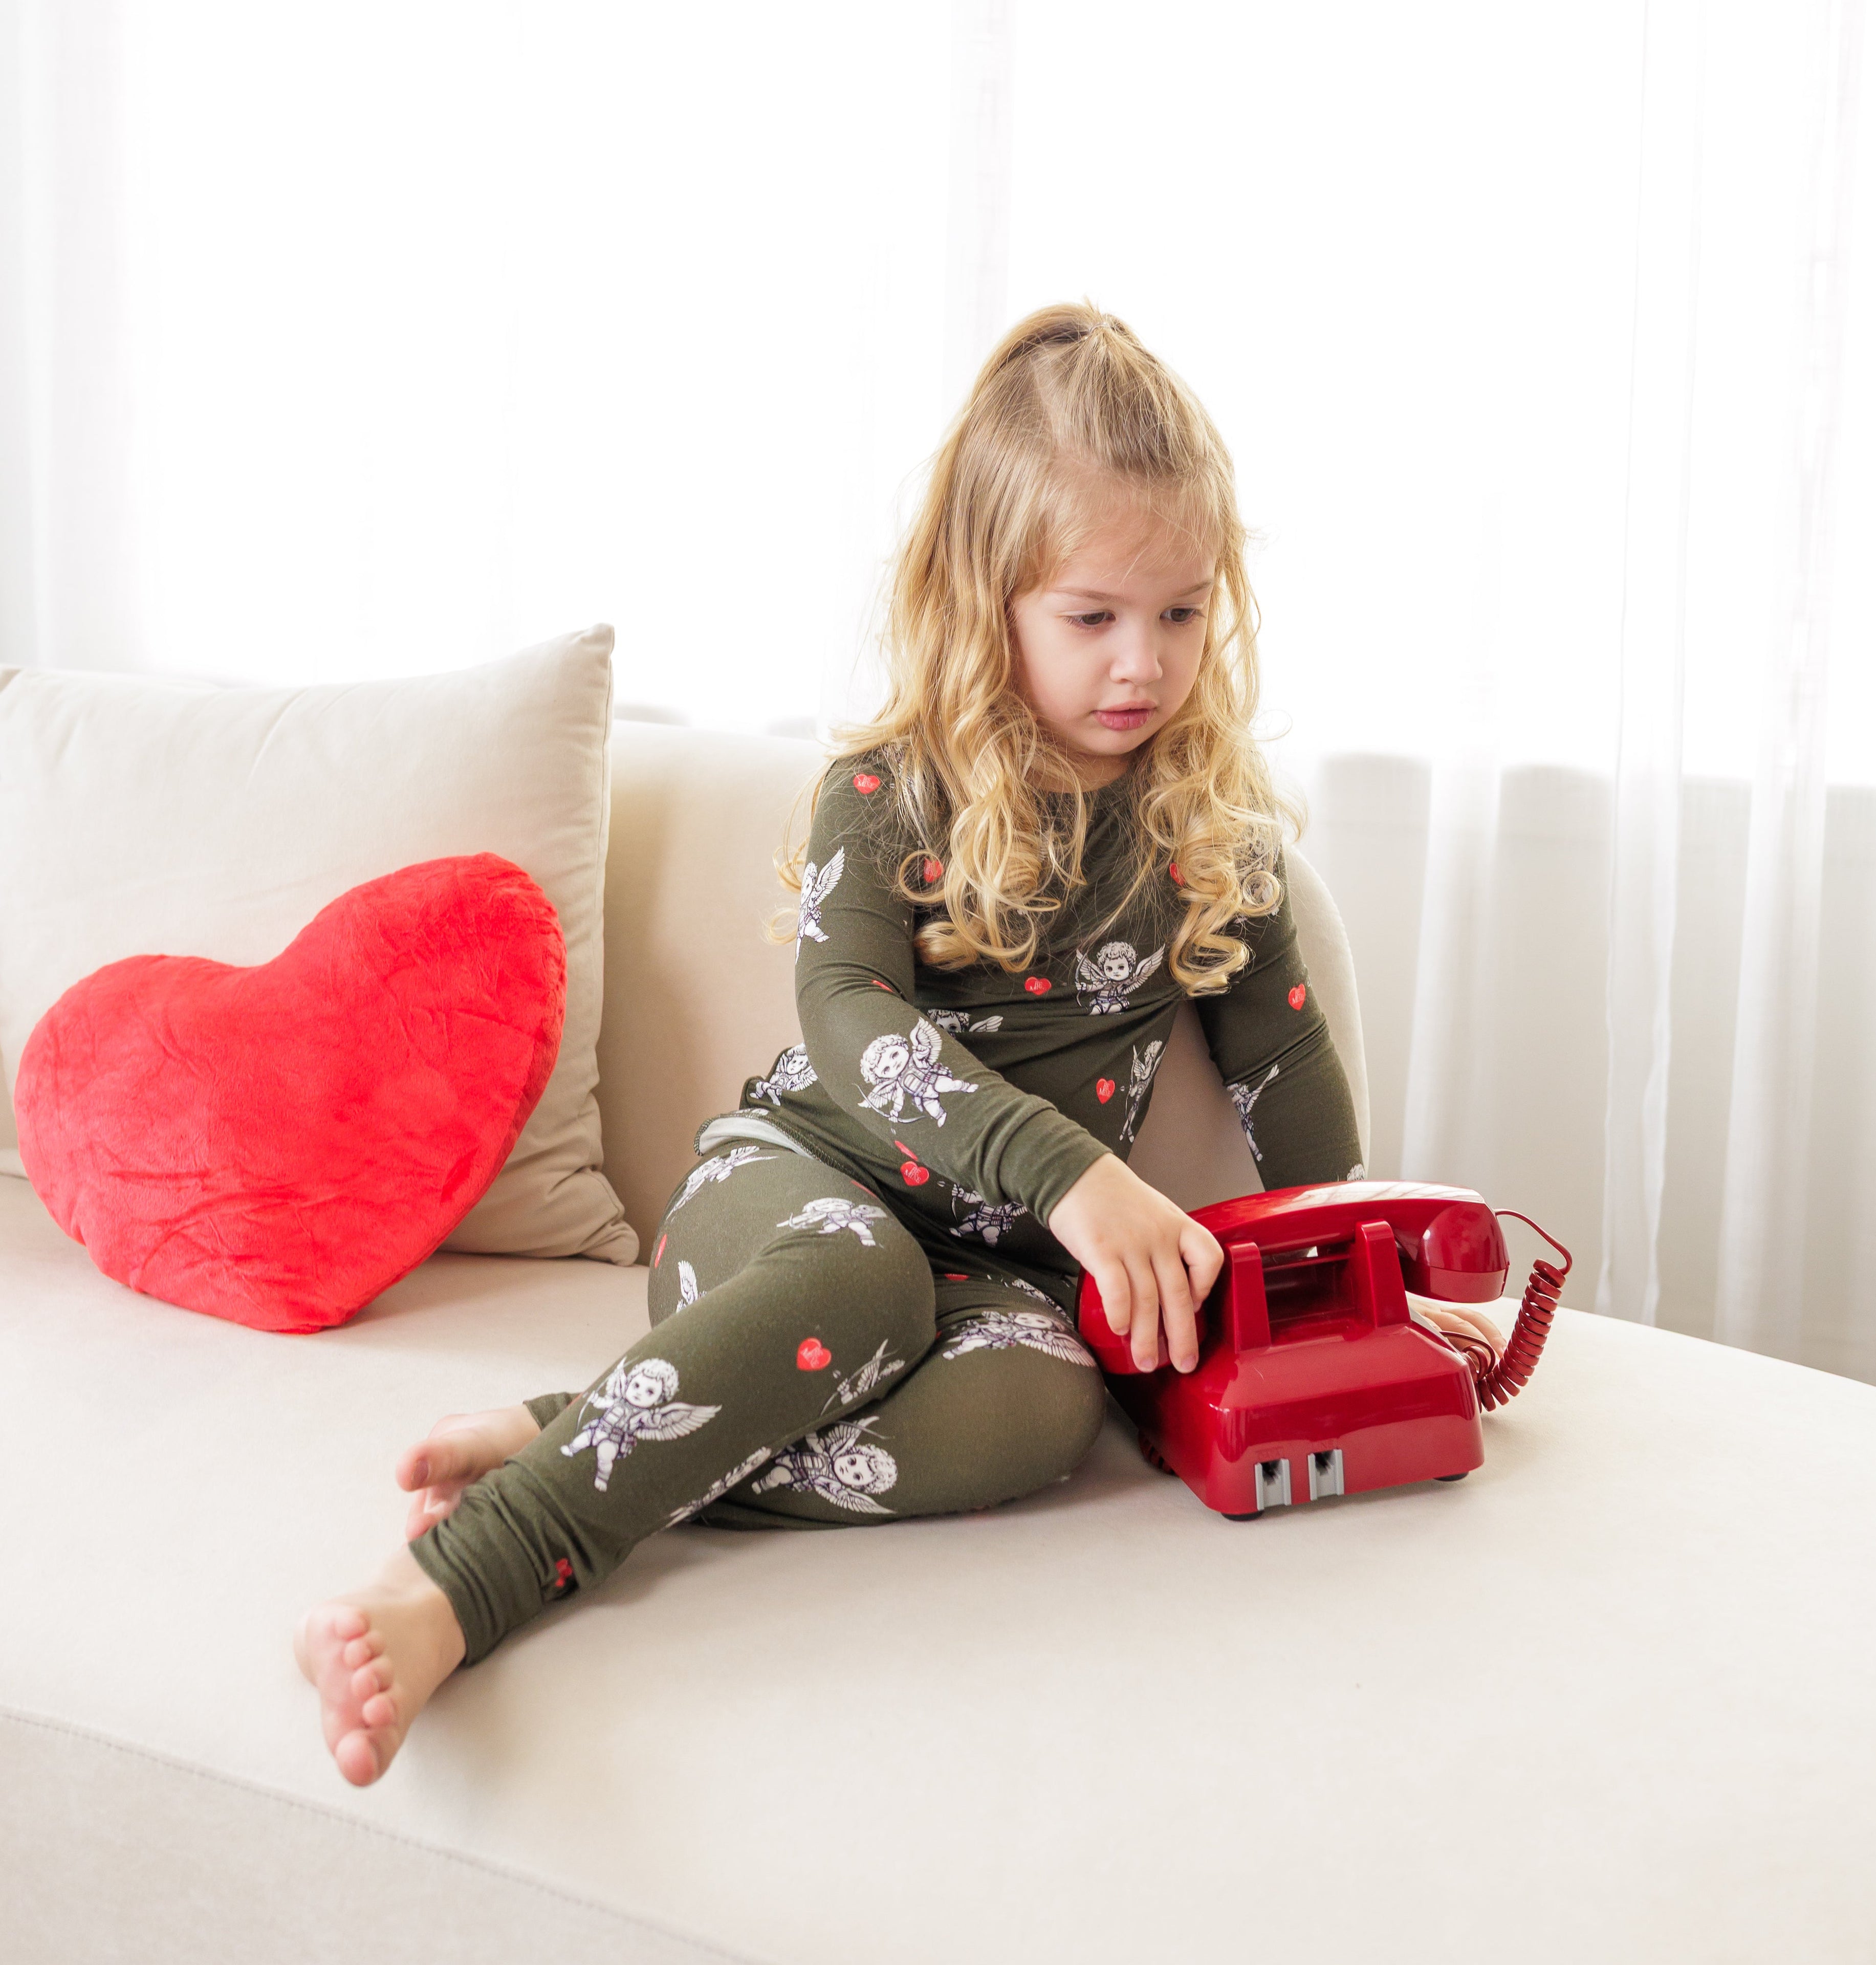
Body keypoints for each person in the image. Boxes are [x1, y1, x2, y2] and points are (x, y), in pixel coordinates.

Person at [297, 302, 1383, 1787]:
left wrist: (1358, 1282)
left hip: (989, 1282)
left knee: (1044, 1407)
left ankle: (598, 1429)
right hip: (794, 1201)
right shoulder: (883, 798)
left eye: (1184, 612)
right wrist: (1071, 1177)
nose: (1145, 663)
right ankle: (476, 1574)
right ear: (986, 595)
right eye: (1094, 615)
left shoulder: (1215, 833)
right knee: (856, 1275)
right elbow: (851, 1024)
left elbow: (1290, 1079)